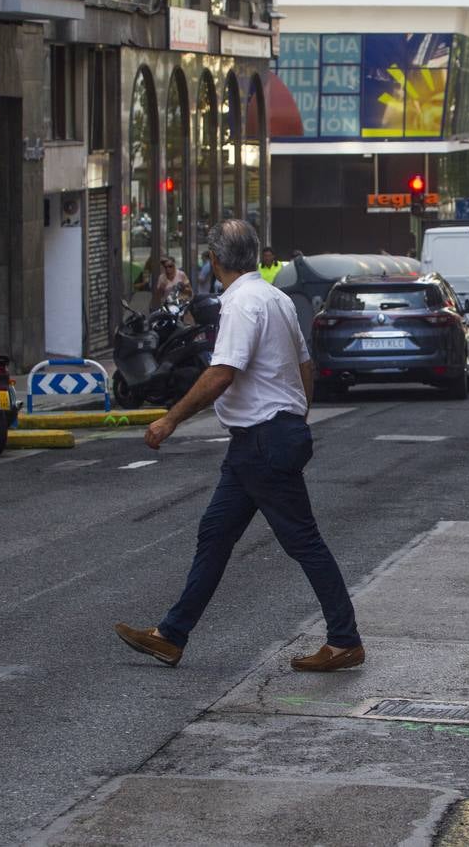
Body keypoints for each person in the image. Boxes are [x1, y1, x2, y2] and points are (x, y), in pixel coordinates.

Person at [114, 219, 364, 673]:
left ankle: (344, 639)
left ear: (214, 261)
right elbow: (305, 366)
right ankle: (171, 635)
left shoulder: (242, 303)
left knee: (303, 542)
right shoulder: (277, 298)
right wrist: (296, 414)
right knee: (215, 536)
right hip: (262, 439)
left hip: (263, 440)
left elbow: (221, 372)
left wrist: (170, 419)